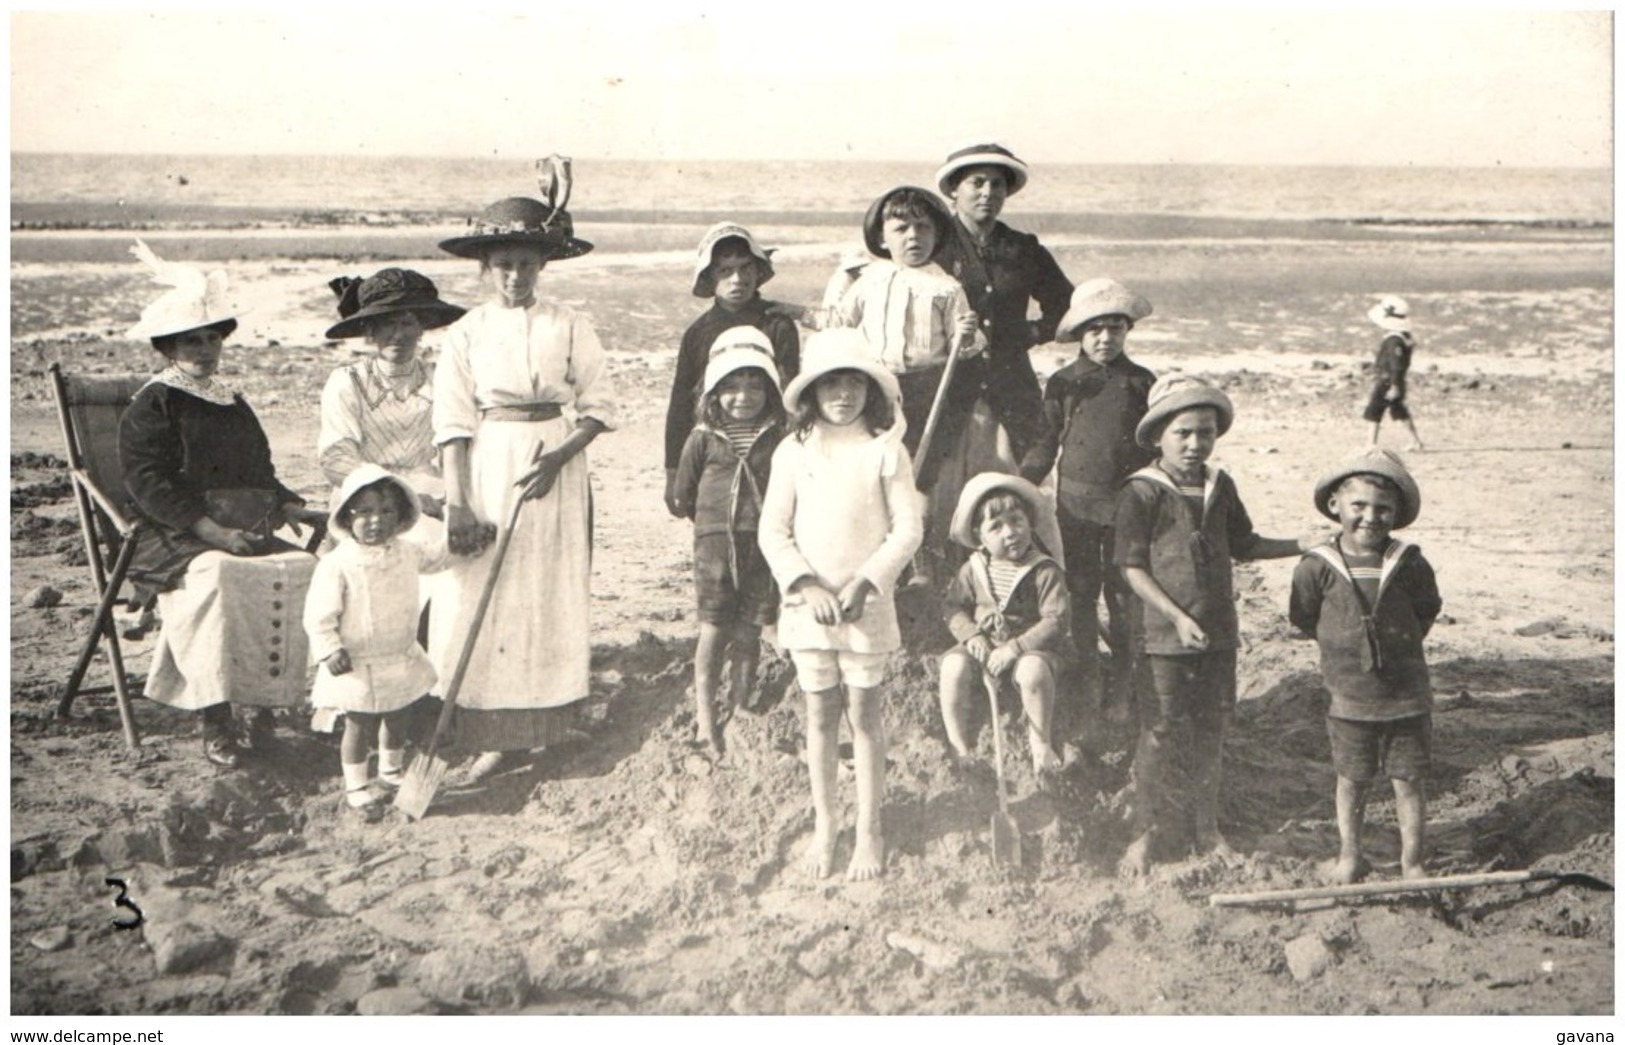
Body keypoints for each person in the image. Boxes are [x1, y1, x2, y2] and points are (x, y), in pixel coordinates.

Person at [432, 164, 617, 784]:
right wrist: (458, 503)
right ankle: (492, 734)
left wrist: (559, 458)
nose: (515, 276)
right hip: (490, 462)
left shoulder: (570, 324)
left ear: (543, 266)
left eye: (527, 265)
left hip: (555, 466)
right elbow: (452, 425)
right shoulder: (466, 332)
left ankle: (553, 723)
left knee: (551, 589)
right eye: (504, 264)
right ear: (486, 267)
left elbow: (598, 408)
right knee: (486, 590)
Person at [117, 240, 327, 767]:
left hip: (242, 522)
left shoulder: (230, 400)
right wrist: (210, 531)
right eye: (191, 340)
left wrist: (288, 507)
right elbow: (149, 483)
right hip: (173, 533)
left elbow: (258, 471)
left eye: (212, 338)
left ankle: (263, 709)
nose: (205, 349)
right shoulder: (154, 404)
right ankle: (215, 719)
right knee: (219, 576)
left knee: (305, 567)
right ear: (167, 346)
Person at [1112, 376, 1312, 876]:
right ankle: (1143, 832)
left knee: (1210, 731)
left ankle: (1207, 828)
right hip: (1161, 638)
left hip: (1217, 632)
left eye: (1205, 432)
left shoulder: (1221, 486)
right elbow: (1131, 568)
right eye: (1183, 433)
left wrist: (1300, 544)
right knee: (1157, 731)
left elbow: (1244, 544)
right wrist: (1176, 618)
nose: (1195, 444)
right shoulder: (1141, 493)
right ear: (1159, 435)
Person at [758, 329, 923, 881]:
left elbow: (908, 530)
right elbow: (773, 533)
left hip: (864, 607)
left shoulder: (885, 450)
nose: (844, 394)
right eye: (832, 384)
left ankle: (870, 830)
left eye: (855, 383)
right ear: (812, 393)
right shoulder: (793, 451)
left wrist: (866, 582)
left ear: (870, 391)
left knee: (865, 715)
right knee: (820, 716)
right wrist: (807, 586)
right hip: (810, 610)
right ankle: (827, 824)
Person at [1290, 449, 1440, 883]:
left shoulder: (1409, 562)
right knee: (1352, 780)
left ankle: (1413, 862)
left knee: (1408, 780)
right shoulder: (1317, 566)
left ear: (1396, 513)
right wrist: (1347, 646)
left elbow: (1425, 609)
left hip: (1406, 698)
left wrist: (1395, 647)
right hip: (1349, 698)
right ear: (1336, 504)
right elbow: (1304, 614)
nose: (1370, 517)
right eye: (1359, 506)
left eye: (1383, 508)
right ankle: (1350, 855)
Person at [820, 186, 984, 581]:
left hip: (930, 387)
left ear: (937, 235)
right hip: (878, 385)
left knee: (921, 471)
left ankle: (918, 551)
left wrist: (968, 333)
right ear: (881, 237)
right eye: (902, 228)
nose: (913, 236)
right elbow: (838, 322)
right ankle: (873, 545)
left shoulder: (946, 287)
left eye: (924, 228)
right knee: (878, 463)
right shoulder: (870, 280)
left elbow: (968, 347)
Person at [1024, 278, 1157, 733]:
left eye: (1115, 328)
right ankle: (1087, 681)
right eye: (1095, 329)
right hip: (1075, 508)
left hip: (1126, 507)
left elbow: (1156, 449)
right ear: (1079, 334)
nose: (1105, 338)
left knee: (1124, 596)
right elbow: (1047, 442)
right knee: (1080, 594)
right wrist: (1021, 486)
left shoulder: (1142, 382)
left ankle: (1123, 685)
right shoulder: (1063, 384)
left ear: (1128, 331)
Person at [304, 466, 450, 817]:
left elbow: (438, 558)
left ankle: (390, 771)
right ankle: (357, 786)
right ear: (346, 517)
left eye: (386, 512)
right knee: (359, 723)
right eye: (365, 512)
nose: (376, 521)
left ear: (400, 517)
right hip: (356, 660)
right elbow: (318, 614)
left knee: (398, 714)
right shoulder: (337, 563)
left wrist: (462, 540)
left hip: (398, 654)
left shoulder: (407, 551)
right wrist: (329, 648)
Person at [670, 328, 788, 759]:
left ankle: (740, 705)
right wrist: (712, 526)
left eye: (755, 385)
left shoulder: (779, 435)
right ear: (714, 393)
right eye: (732, 387)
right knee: (714, 628)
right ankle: (705, 719)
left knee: (750, 626)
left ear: (771, 389)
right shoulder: (703, 437)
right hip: (715, 546)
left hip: (764, 543)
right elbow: (683, 494)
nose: (744, 396)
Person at [933, 142, 1074, 472]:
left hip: (1011, 384)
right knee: (939, 476)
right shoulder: (934, 245)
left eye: (998, 184)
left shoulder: (1023, 248)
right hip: (946, 385)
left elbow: (1069, 306)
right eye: (977, 182)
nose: (988, 193)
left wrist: (1034, 332)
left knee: (1022, 469)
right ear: (954, 188)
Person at [938, 473, 1072, 782]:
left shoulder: (1043, 569)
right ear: (979, 535)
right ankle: (960, 746)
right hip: (985, 644)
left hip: (1031, 648)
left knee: (1032, 673)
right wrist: (971, 635)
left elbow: (1056, 619)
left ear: (1029, 523)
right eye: (996, 527)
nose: (1009, 532)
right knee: (952, 667)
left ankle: (1040, 745)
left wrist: (1016, 647)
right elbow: (952, 606)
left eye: (1016, 521)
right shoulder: (973, 570)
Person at [664, 222, 800, 515]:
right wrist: (673, 471)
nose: (737, 279)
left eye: (746, 268)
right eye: (725, 271)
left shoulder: (777, 325)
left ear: (758, 272)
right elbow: (680, 404)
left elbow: (791, 394)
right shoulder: (698, 333)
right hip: (714, 448)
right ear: (710, 277)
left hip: (769, 445)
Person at [317, 267, 465, 525]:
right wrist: (403, 497)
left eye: (408, 323)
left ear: (422, 328)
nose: (399, 334)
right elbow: (336, 458)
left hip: (435, 496)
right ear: (370, 330)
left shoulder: (440, 378)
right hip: (367, 498)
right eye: (388, 323)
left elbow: (458, 442)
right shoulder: (347, 381)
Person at [1364, 295, 1424, 450]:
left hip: (1388, 381)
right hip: (1395, 380)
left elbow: (1396, 364)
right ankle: (1415, 441)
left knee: (1374, 410)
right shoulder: (1400, 339)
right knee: (1398, 410)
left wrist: (1394, 386)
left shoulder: (1393, 341)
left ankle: (1371, 443)